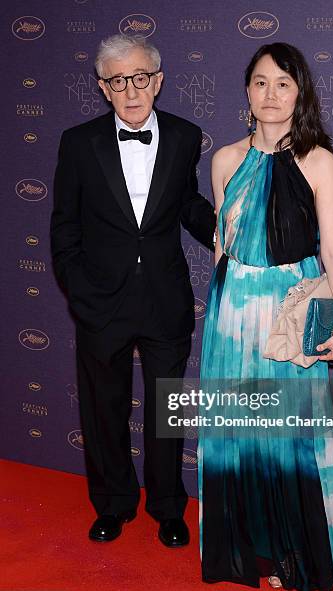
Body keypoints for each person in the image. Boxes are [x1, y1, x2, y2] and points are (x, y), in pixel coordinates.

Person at [198, 43, 333, 591]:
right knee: (238, 436)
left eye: (283, 84)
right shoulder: (223, 160)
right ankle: (248, 552)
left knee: (289, 438)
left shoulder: (319, 159)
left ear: (300, 93)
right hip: (232, 318)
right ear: (247, 91)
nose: (271, 94)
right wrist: (220, 315)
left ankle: (295, 553)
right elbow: (223, 242)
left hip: (288, 316)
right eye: (261, 82)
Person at [50, 34, 215, 546]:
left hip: (165, 299)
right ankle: (114, 504)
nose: (131, 90)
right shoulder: (79, 143)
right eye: (118, 81)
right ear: (103, 88)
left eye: (140, 77)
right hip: (102, 302)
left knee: (167, 410)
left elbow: (186, 203)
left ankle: (168, 507)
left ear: (158, 81)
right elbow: (64, 229)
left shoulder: (187, 136)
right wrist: (81, 293)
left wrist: (225, 230)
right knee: (104, 409)